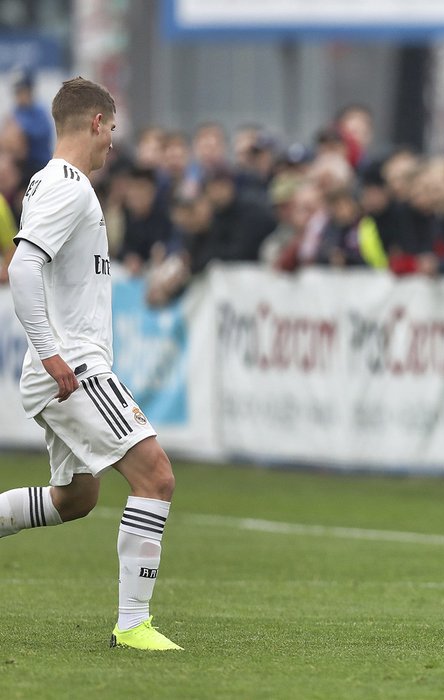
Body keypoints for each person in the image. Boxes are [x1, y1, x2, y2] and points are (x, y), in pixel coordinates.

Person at [0, 77, 181, 651]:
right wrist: (52, 351)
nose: (113, 143)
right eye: (113, 129)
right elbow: (24, 268)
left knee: (77, 498)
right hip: (73, 366)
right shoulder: (70, 186)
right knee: (156, 477)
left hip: (62, 365)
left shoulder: (47, 181)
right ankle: (133, 625)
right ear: (98, 123)